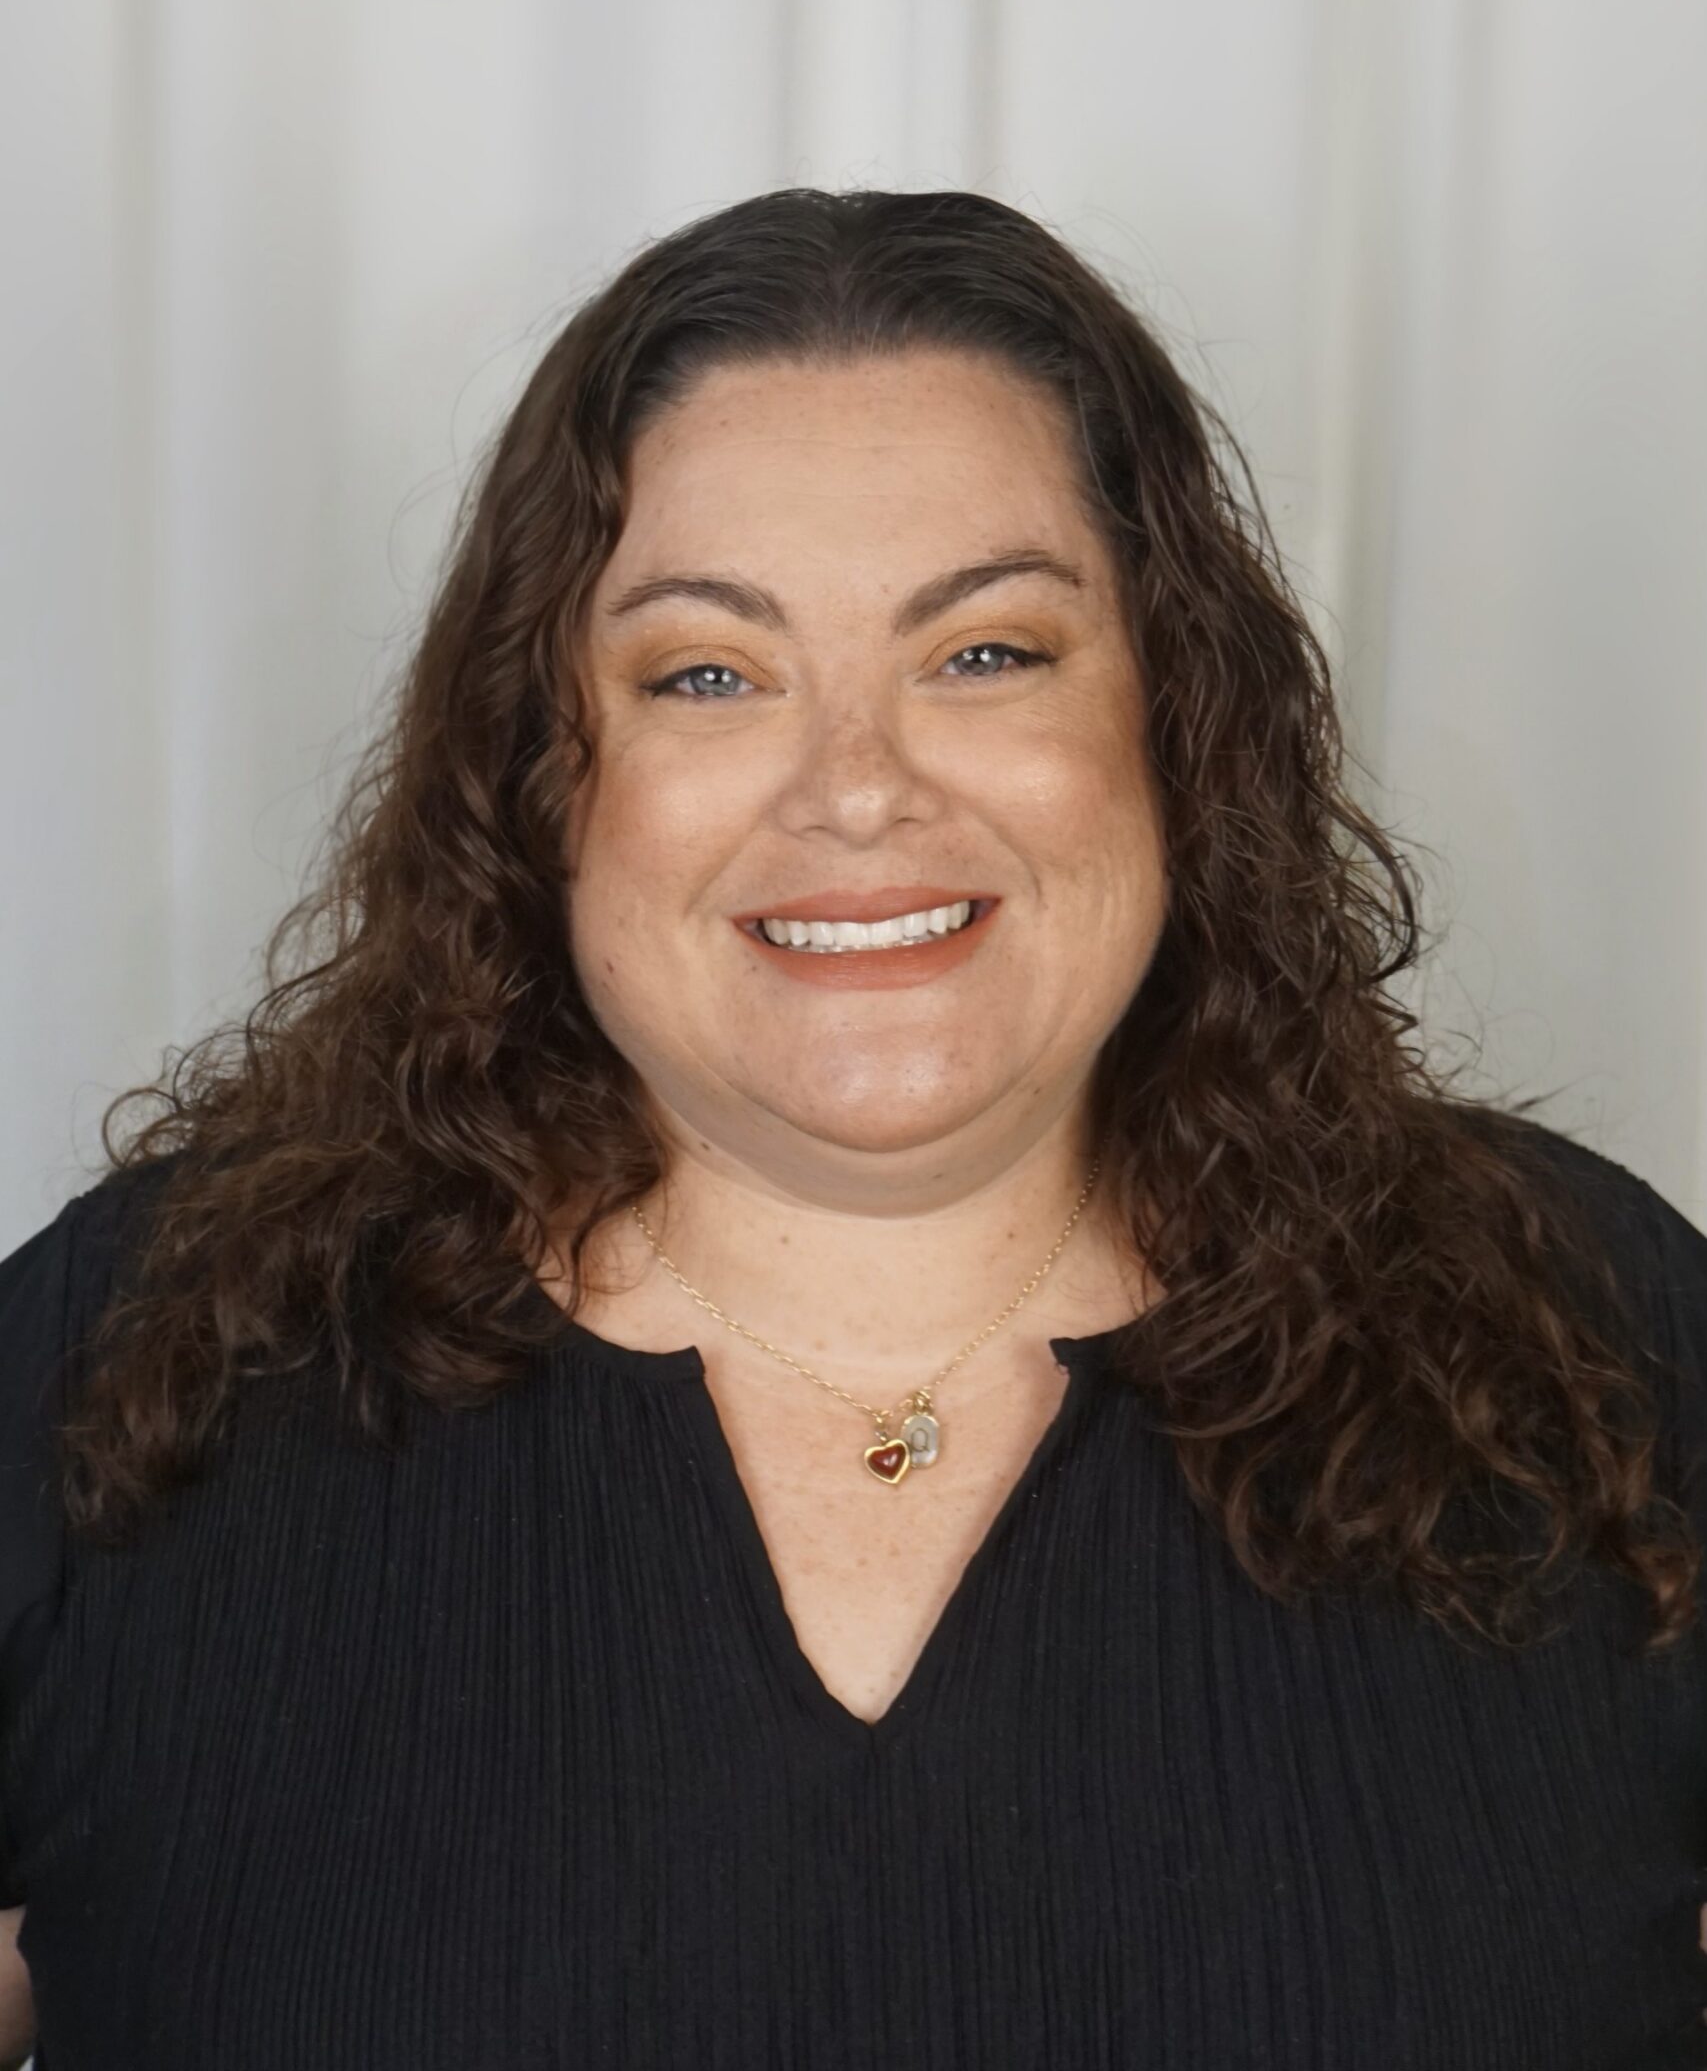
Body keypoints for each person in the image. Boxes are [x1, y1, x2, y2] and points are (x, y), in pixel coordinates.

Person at [1, 186, 1704, 2068]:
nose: (860, 790)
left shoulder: (1596, 1335)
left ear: (1175, 719)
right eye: (708, 676)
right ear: (542, 773)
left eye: (986, 652)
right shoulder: (137, 1360)